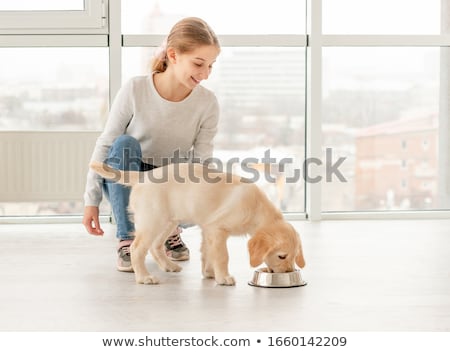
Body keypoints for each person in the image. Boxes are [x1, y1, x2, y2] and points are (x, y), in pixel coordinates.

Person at [82, 17, 220, 272]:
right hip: (129, 180)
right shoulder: (136, 88)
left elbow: (201, 162)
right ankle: (129, 238)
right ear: (173, 55)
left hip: (170, 183)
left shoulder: (208, 103)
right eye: (198, 63)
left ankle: (168, 231)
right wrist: (90, 201)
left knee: (209, 177)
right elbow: (106, 143)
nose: (205, 74)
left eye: (211, 65)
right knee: (124, 143)